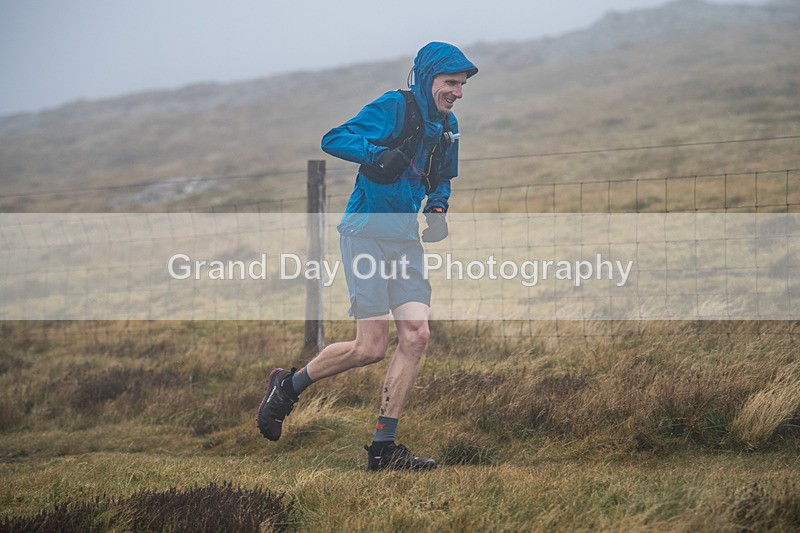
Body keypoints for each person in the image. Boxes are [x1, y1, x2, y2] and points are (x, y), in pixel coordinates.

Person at [258, 42, 477, 471]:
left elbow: (443, 179)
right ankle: (287, 386)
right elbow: (334, 138)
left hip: (404, 240)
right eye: (451, 83)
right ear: (428, 77)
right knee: (370, 347)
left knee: (416, 335)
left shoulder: (448, 126)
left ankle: (383, 450)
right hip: (365, 234)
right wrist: (378, 155)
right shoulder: (394, 107)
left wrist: (436, 209)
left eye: (463, 84)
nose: (458, 92)